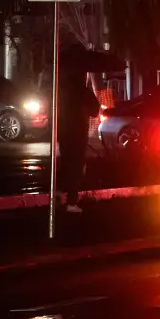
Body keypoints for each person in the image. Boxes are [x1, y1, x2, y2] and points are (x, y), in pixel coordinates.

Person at [54, 60, 101, 210]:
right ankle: (71, 201)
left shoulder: (60, 90)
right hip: (78, 132)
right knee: (76, 165)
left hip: (63, 131)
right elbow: (94, 110)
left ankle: (61, 193)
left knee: (66, 162)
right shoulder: (83, 91)